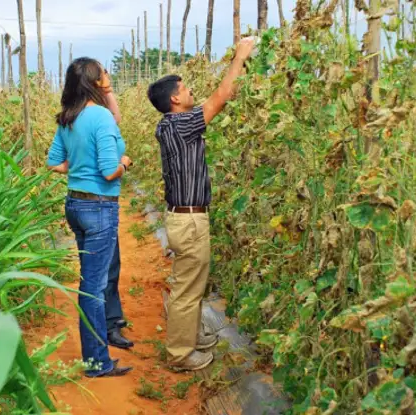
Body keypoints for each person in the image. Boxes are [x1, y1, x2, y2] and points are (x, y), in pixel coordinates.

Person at [146, 37, 256, 371]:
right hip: (190, 222)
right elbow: (221, 97)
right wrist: (240, 56)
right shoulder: (180, 124)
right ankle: (180, 355)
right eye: (186, 88)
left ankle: (192, 337)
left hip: (185, 219)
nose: (192, 92)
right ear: (175, 99)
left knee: (192, 284)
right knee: (186, 289)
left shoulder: (170, 125)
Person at [47, 57, 133, 377]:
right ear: (96, 81)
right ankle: (97, 363)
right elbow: (110, 171)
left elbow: (54, 163)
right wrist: (126, 163)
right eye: (105, 73)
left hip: (76, 205)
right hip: (99, 207)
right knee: (93, 289)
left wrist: (79, 165)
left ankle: (95, 357)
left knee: (89, 284)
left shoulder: (70, 117)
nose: (108, 76)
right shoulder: (100, 118)